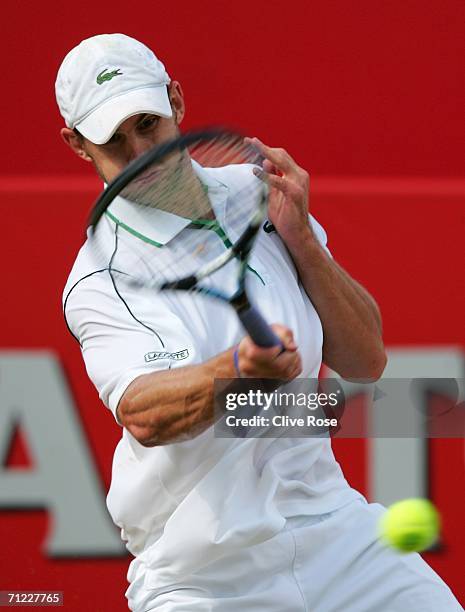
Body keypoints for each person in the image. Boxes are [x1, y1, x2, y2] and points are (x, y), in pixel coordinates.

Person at [56, 33, 463, 612]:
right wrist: (236, 371)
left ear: (176, 101)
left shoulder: (260, 194)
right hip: (204, 572)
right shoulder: (100, 279)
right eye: (113, 141)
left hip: (337, 531)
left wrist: (301, 239)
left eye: (147, 124)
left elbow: (366, 359)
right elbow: (144, 413)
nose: (139, 150)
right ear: (76, 145)